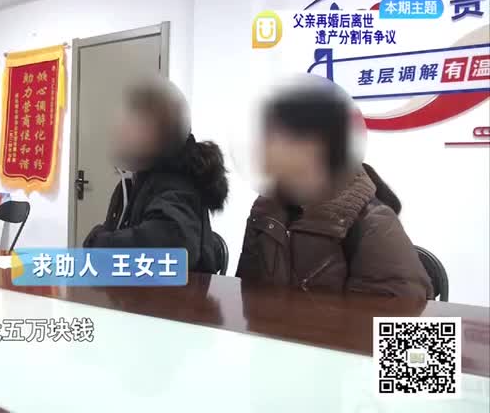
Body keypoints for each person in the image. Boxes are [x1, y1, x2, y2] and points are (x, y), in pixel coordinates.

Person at [236, 76, 433, 299]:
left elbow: (402, 318)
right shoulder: (266, 211)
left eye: (278, 137)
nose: (265, 148)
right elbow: (247, 295)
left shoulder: (373, 224)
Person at [82, 77, 228, 274]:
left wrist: (98, 243)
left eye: (131, 123)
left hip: (178, 293)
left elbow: (171, 247)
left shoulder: (177, 182)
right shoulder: (134, 182)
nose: (119, 131)